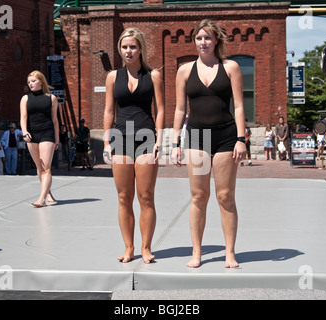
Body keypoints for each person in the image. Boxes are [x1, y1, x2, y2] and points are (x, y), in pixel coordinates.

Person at [171, 19, 246, 268]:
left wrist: (241, 139)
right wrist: (175, 142)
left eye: (208, 38)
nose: (203, 42)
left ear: (216, 41)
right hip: (197, 137)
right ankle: (197, 252)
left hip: (226, 136)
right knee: (198, 196)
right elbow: (180, 108)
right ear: (194, 41)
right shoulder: (184, 70)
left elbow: (238, 105)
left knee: (225, 196)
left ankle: (230, 252)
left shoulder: (231, 67)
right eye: (199, 38)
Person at [103, 27, 164, 264]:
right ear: (120, 49)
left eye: (133, 47)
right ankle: (129, 248)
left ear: (141, 49)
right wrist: (107, 142)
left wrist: (159, 140)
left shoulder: (154, 75)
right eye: (125, 47)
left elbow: (160, 110)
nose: (128, 51)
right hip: (120, 138)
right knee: (123, 197)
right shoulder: (112, 77)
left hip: (146, 136)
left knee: (146, 196)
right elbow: (109, 110)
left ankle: (146, 248)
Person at [20, 70, 59, 207]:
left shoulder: (51, 99)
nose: (30, 84)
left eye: (33, 81)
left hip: (47, 133)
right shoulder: (25, 99)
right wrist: (24, 132)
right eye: (29, 82)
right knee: (39, 167)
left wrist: (57, 139)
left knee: (46, 167)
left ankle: (41, 199)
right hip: (31, 134)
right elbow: (23, 118)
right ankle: (47, 193)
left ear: (41, 82)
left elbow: (55, 120)